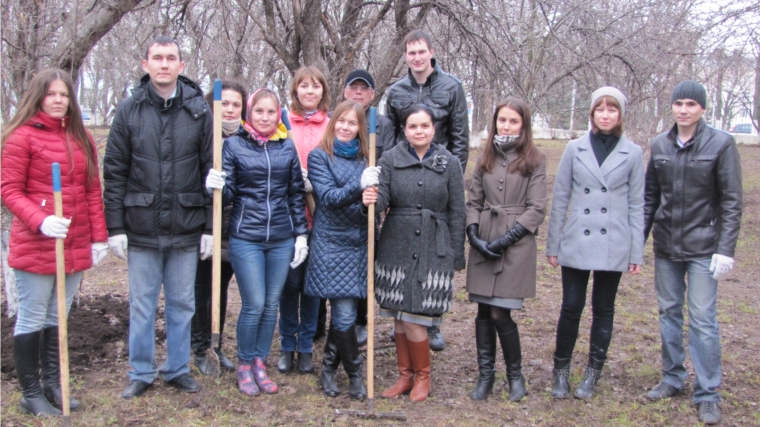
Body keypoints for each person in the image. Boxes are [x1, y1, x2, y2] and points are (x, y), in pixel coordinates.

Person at [104, 36, 213, 399]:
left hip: (186, 225)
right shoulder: (129, 111)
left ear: (181, 66)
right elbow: (115, 172)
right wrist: (115, 227)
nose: (164, 64)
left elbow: (210, 173)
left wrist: (210, 228)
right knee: (142, 304)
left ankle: (177, 368)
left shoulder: (199, 111)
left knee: (183, 302)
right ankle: (141, 370)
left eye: (171, 58)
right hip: (141, 226)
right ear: (145, 64)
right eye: (157, 58)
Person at [1, 69, 108, 416]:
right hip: (37, 243)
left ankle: (53, 384)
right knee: (32, 316)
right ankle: (30, 392)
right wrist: (41, 219)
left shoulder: (81, 137)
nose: (59, 100)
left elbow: (92, 190)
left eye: (64, 94)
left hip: (74, 243)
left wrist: (98, 238)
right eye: (51, 94)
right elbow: (9, 191)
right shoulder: (21, 137)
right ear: (38, 97)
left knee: (57, 315)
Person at [643, 80, 742, 425]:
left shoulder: (721, 144)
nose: (683, 109)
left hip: (704, 248)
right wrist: (636, 245)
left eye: (690, 104)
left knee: (702, 319)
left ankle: (708, 392)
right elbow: (649, 200)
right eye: (678, 103)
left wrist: (725, 249)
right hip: (666, 245)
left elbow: (731, 201)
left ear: (702, 109)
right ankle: (672, 377)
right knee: (669, 312)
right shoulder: (660, 144)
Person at [205, 88, 309, 396]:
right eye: (259, 111)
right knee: (254, 304)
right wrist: (215, 186)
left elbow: (295, 194)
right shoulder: (234, 145)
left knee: (272, 305)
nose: (264, 117)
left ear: (279, 115)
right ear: (249, 113)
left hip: (281, 237)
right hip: (246, 237)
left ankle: (260, 362)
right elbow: (230, 194)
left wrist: (301, 234)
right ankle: (244, 364)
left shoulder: (287, 147)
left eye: (271, 112)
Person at [362, 104, 466, 402]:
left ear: (433, 129)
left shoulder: (449, 162)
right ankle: (405, 376)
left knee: (415, 316)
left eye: (424, 126)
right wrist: (370, 194)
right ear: (404, 130)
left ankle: (423, 376)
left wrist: (456, 253)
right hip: (397, 243)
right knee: (398, 315)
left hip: (434, 244)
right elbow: (381, 201)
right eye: (412, 126)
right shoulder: (390, 159)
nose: (418, 131)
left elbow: (457, 211)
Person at [545, 87, 645, 400]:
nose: (605, 114)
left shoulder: (634, 152)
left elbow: (637, 203)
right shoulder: (575, 149)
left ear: (620, 114)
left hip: (614, 241)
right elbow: (560, 197)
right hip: (577, 238)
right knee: (571, 307)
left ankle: (592, 374)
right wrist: (553, 244)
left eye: (612, 109)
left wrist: (636, 249)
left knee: (604, 309)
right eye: (599, 108)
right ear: (591, 113)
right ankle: (560, 373)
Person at [385, 29, 470, 351]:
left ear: (431, 52)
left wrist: (449, 174)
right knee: (405, 249)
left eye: (422, 52)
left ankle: (432, 322)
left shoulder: (452, 87)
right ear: (406, 56)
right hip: (405, 177)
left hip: (440, 179)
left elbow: (460, 136)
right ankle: (402, 316)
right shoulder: (396, 91)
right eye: (411, 53)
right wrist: (395, 178)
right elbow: (391, 138)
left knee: (436, 251)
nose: (417, 58)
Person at [465, 98, 548, 401]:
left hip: (515, 243)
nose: (507, 126)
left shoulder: (535, 159)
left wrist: (506, 239)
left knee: (501, 312)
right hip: (485, 236)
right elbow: (473, 200)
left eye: (513, 121)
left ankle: (516, 374)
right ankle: (485, 375)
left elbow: (537, 208)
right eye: (502, 120)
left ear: (523, 124)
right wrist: (473, 234)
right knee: (483, 310)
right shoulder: (485, 156)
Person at [320, 69, 396, 347]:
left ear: (373, 95)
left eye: (365, 89)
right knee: (333, 283)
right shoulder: (330, 128)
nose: (358, 92)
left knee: (363, 269)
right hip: (332, 219)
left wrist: (378, 189)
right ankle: (329, 328)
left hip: (367, 209)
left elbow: (384, 157)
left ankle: (361, 322)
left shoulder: (382, 125)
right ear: (345, 91)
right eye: (354, 87)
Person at [304, 100, 370, 399]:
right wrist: (360, 185)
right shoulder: (320, 157)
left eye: (352, 123)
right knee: (345, 316)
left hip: (359, 242)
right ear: (333, 123)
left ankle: (329, 368)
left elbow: (372, 207)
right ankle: (355, 373)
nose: (345, 126)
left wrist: (373, 200)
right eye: (341, 121)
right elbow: (328, 198)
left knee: (345, 315)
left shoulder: (367, 159)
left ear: (360, 128)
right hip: (331, 242)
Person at [192, 80, 248, 375]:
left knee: (221, 289)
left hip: (233, 229)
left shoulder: (246, 139)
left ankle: (216, 345)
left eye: (236, 104)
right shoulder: (201, 136)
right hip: (204, 227)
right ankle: (200, 348)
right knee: (202, 289)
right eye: (223, 103)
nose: (229, 109)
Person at [277, 66, 329, 375]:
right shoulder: (283, 124)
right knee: (290, 284)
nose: (309, 91)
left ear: (323, 91)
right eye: (303, 86)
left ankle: (307, 347)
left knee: (312, 286)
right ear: (295, 90)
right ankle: (287, 345)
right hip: (289, 218)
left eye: (315, 86)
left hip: (321, 217)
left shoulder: (332, 124)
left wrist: (317, 184)